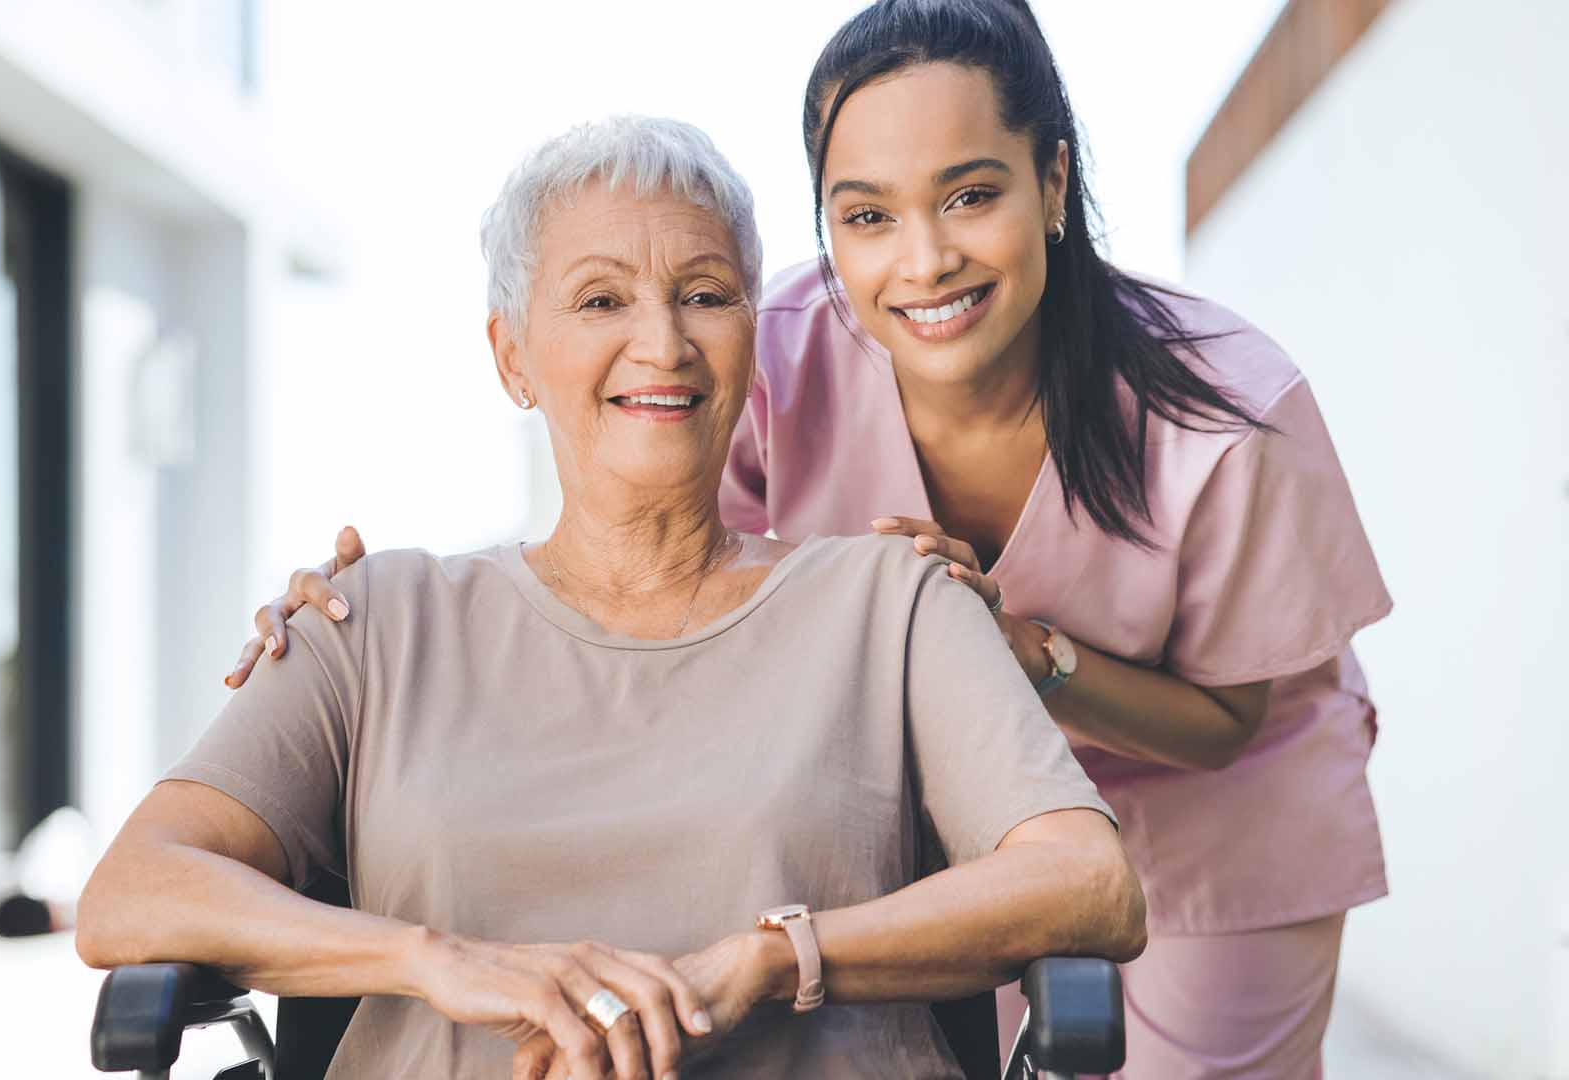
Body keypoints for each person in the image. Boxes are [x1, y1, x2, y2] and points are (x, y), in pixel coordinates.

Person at [229, 3, 1391, 1076]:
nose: (923, 260)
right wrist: (385, 624)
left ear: (1052, 180)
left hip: (1215, 804)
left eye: (969, 196)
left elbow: (1229, 720)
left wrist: (1031, 657)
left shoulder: (1229, 412)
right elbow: (643, 565)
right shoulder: (767, 347)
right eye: (869, 216)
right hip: (960, 823)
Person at [80, 116, 1145, 1080]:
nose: (663, 343)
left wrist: (773, 961)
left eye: (706, 295)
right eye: (600, 301)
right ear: (512, 357)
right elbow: (134, 887)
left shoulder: (893, 603)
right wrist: (434, 960)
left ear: (753, 343)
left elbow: (1089, 883)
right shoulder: (374, 622)